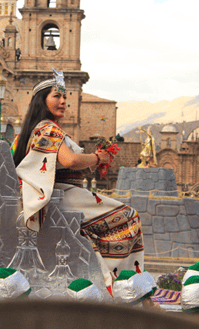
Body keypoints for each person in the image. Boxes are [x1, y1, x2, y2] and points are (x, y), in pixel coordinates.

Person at [13, 69, 144, 292]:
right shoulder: (47, 128)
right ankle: (127, 286)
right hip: (64, 197)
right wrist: (96, 157)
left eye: (65, 97)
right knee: (129, 217)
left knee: (99, 235)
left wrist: (91, 163)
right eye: (57, 96)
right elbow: (70, 160)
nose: (63, 101)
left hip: (64, 196)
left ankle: (109, 278)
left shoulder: (41, 128)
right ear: (41, 101)